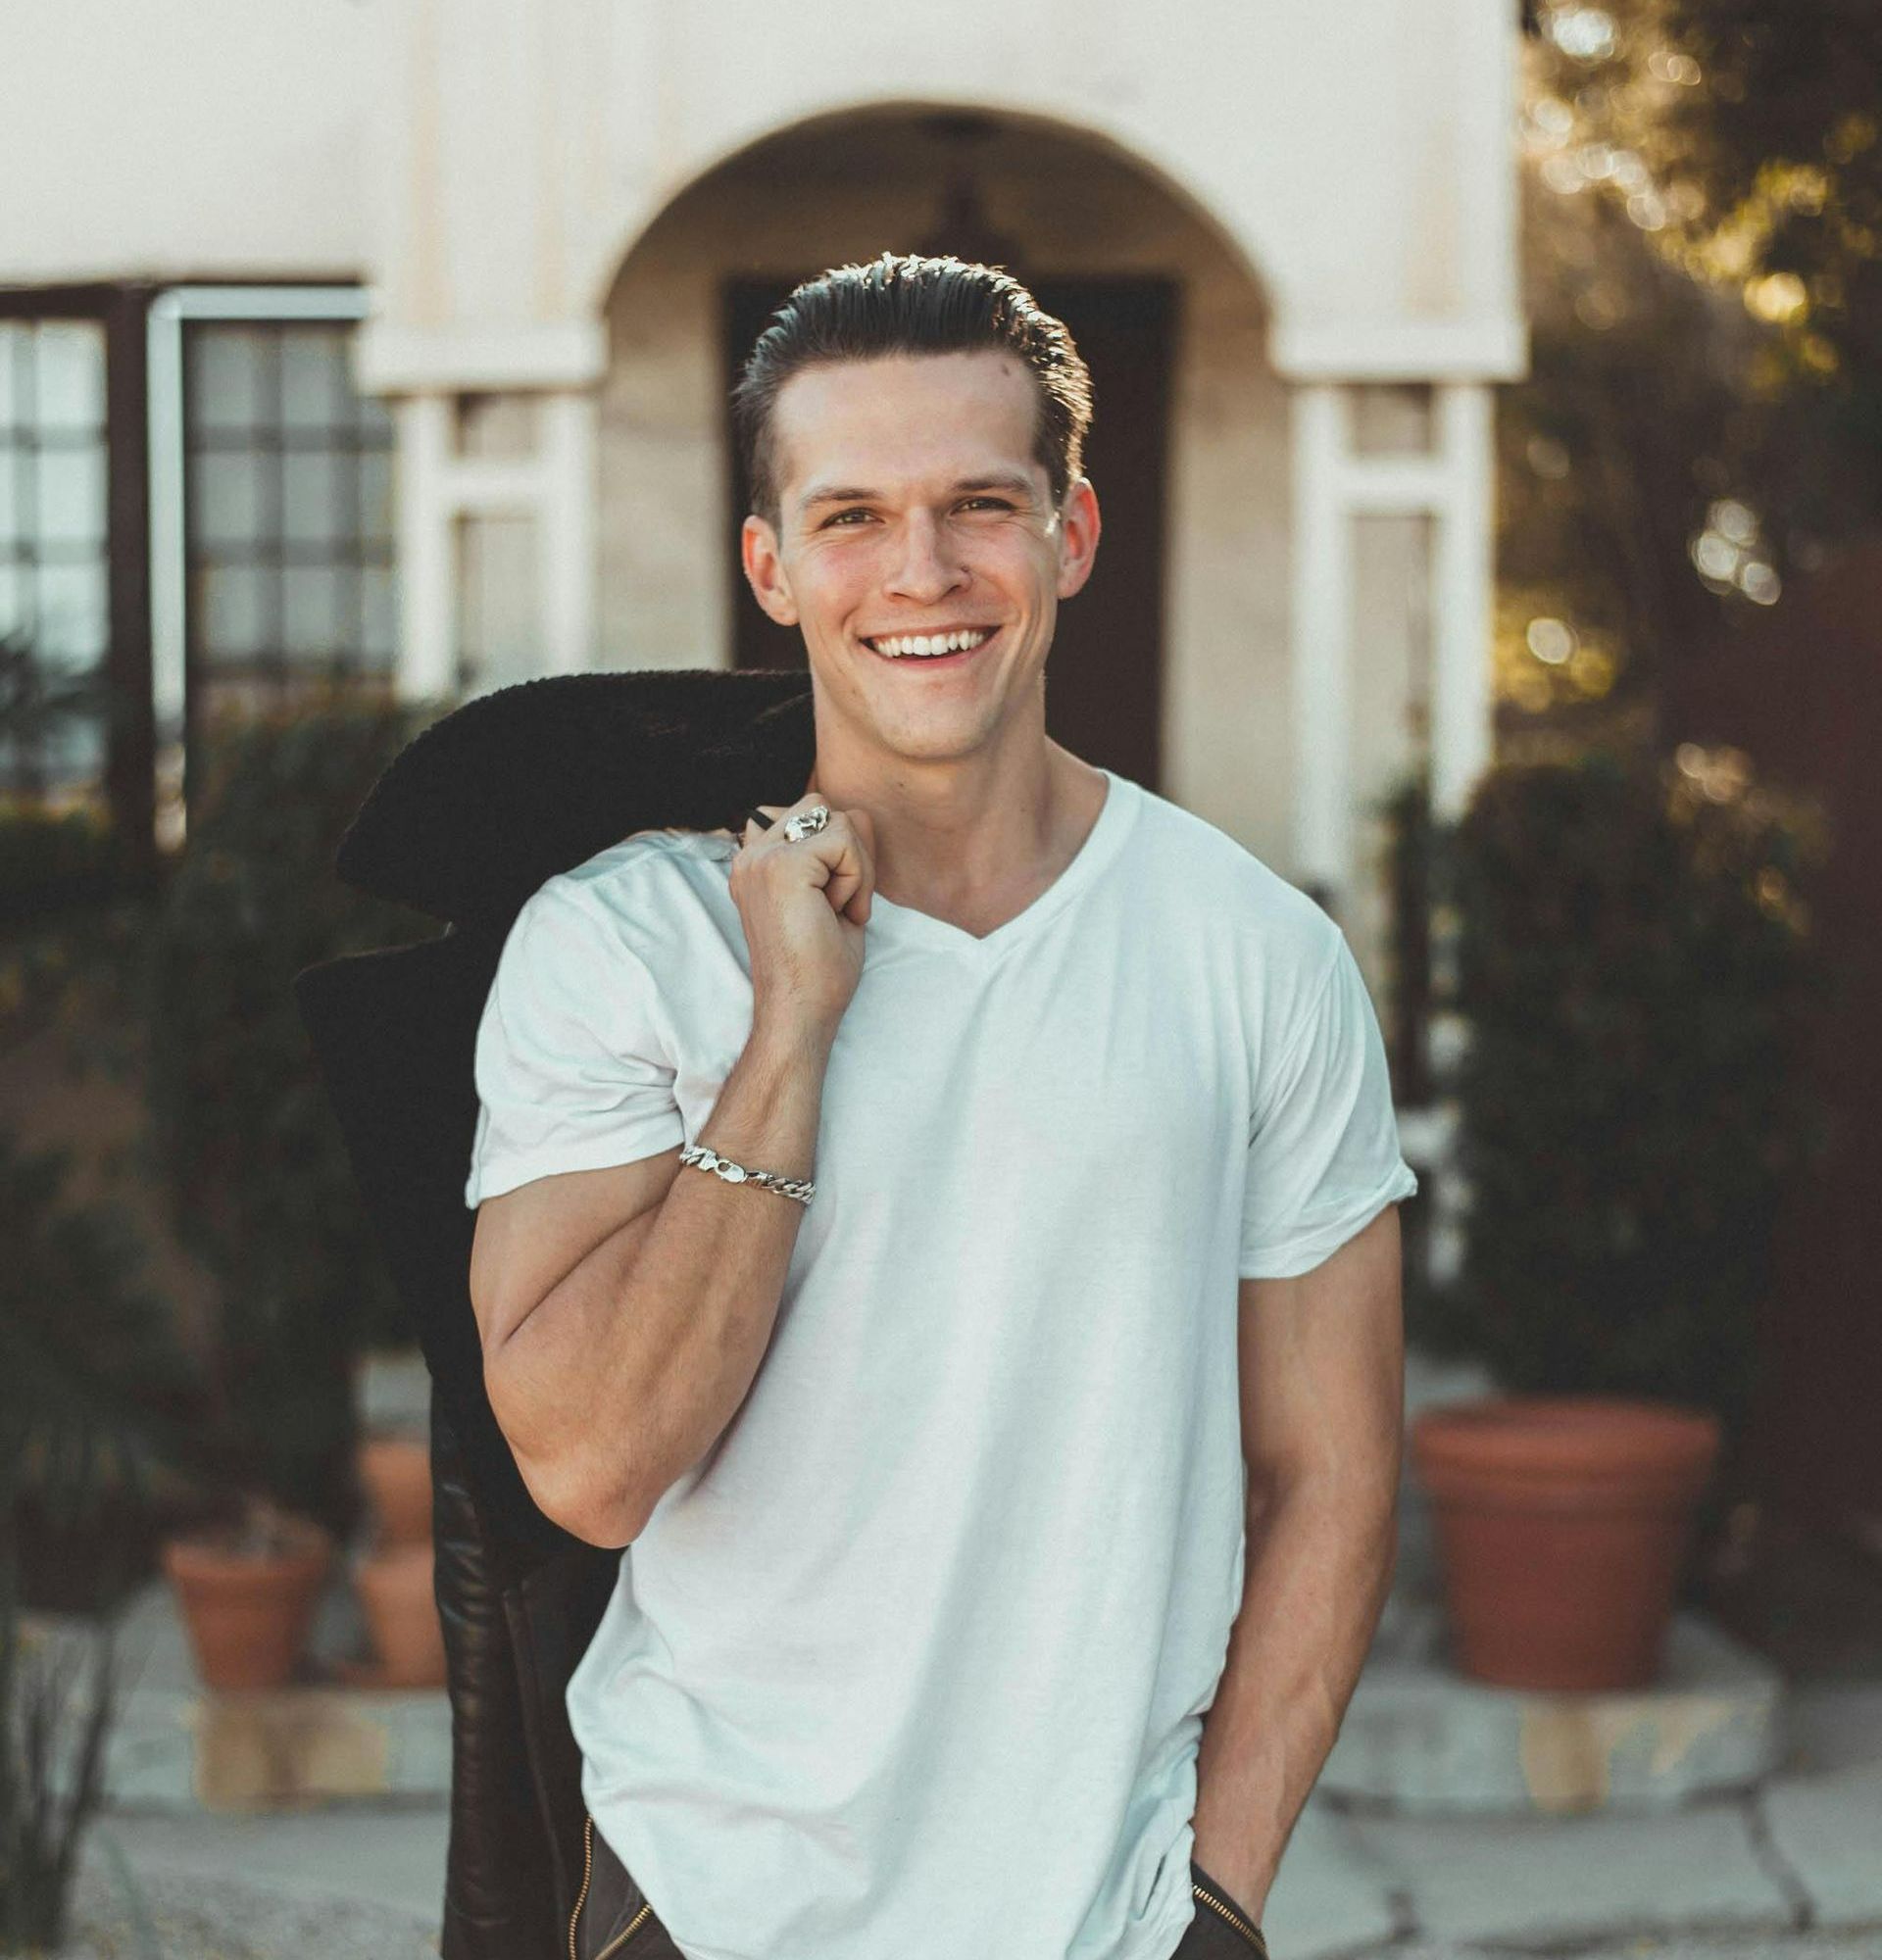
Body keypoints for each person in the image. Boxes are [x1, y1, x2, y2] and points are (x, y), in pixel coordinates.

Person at [464, 251, 1416, 1960]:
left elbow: (1330, 1473)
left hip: (1103, 1926)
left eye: (981, 502)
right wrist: (789, 1040)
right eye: (851, 517)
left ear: (1074, 534)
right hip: (709, 1904)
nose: (921, 571)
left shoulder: (1257, 956)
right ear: (769, 563)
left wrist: (1216, 1905)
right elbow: (594, 1467)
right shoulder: (621, 945)